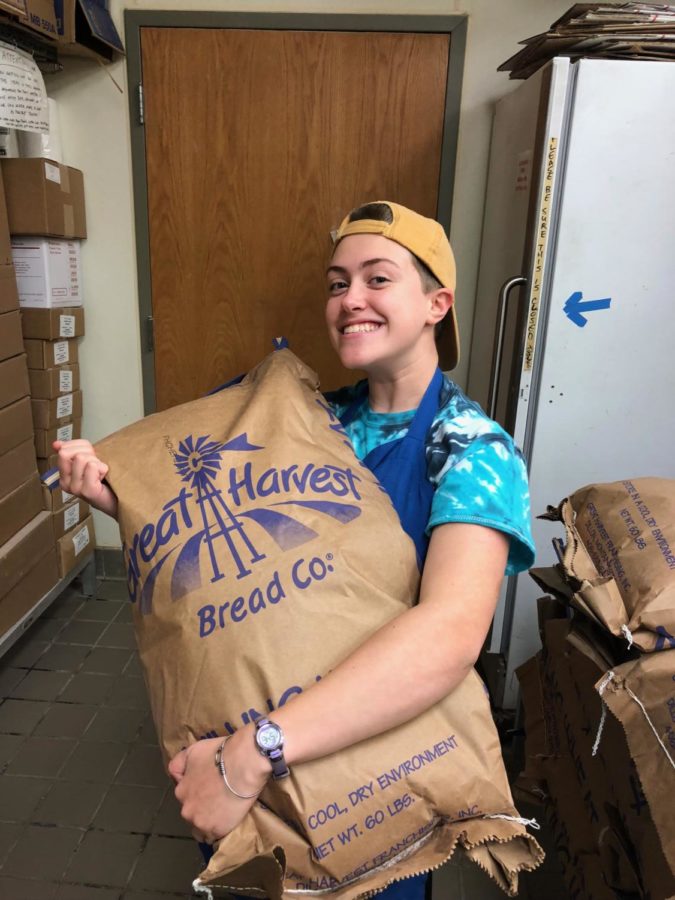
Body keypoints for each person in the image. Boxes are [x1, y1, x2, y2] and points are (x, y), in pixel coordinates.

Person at [55, 201, 534, 900]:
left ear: (437, 303)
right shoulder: (308, 416)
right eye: (337, 283)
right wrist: (113, 491)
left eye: (377, 279)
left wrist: (251, 757)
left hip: (370, 770)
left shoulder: (469, 450)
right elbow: (207, 521)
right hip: (260, 772)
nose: (349, 300)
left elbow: (448, 636)